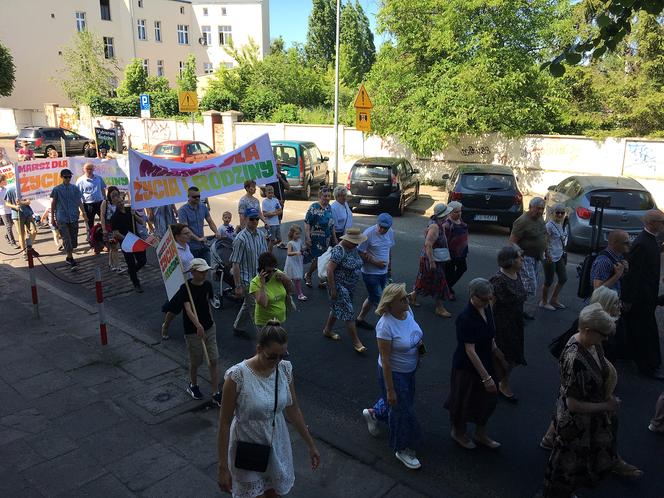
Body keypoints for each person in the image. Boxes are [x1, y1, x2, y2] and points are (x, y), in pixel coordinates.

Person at [543, 303, 642, 498]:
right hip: (574, 422)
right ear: (588, 330)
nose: (605, 339)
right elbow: (572, 404)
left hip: (590, 415)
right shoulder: (575, 359)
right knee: (565, 465)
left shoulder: (592, 342)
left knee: (582, 460)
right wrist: (606, 405)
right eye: (603, 334)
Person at [217, 320, 320, 497]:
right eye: (272, 356)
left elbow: (294, 410)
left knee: (274, 493)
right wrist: (223, 467)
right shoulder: (237, 376)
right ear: (259, 349)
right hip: (247, 444)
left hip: (276, 441)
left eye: (282, 355)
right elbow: (224, 423)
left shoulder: (285, 370)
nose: (277, 361)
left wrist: (311, 444)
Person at [361, 283, 424, 470]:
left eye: (407, 296)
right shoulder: (385, 326)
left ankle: (373, 413)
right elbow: (386, 361)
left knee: (401, 402)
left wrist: (421, 352)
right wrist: (389, 389)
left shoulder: (407, 311)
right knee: (401, 411)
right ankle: (401, 448)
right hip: (394, 373)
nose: (408, 299)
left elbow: (416, 336)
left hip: (409, 370)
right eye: (403, 298)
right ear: (390, 304)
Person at [444, 278, 505, 450]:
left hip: (486, 359)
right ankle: (458, 432)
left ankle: (480, 433)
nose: (487, 302)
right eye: (484, 299)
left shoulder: (487, 308)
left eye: (489, 298)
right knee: (463, 400)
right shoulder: (465, 318)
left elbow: (490, 334)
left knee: (488, 400)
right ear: (473, 296)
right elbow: (470, 351)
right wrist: (486, 378)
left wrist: (496, 351)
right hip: (467, 366)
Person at [621, 209, 664, 379]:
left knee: (638, 329)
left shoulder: (650, 240)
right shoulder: (642, 243)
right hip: (641, 297)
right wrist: (629, 299)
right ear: (652, 223)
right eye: (661, 222)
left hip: (647, 295)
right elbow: (633, 275)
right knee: (645, 331)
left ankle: (632, 356)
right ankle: (647, 367)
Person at [177, 258, 221, 404]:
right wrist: (198, 325)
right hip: (193, 331)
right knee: (196, 360)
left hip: (209, 327)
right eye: (201, 272)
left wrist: (211, 321)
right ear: (193, 272)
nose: (204, 274)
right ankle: (193, 384)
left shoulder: (208, 285)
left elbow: (207, 303)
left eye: (205, 271)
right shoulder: (185, 288)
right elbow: (188, 310)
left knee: (214, 359)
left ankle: (216, 391)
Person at [490, 245, 527, 403]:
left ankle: (502, 382)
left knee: (513, 356)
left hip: (515, 323)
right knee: (503, 358)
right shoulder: (498, 280)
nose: (522, 259)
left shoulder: (516, 274)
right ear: (510, 261)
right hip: (502, 326)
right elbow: (490, 307)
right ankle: (498, 383)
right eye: (519, 257)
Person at [322, 227, 367, 353]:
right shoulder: (339, 250)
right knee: (349, 312)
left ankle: (327, 330)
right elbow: (330, 270)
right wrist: (333, 289)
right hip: (339, 286)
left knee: (337, 308)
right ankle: (356, 342)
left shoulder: (353, 249)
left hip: (350, 286)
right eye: (354, 242)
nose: (356, 244)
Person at [230, 207, 269, 338]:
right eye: (252, 219)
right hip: (247, 280)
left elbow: (264, 256)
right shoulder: (240, 239)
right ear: (246, 219)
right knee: (257, 311)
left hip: (258, 278)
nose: (255, 221)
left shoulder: (261, 235)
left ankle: (238, 327)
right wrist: (238, 286)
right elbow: (235, 263)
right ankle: (267, 343)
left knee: (248, 305)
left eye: (257, 218)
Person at [410, 203, 453, 317]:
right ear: (443, 215)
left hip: (432, 258)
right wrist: (432, 262)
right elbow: (428, 245)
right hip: (431, 259)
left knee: (425, 278)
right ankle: (439, 307)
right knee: (440, 281)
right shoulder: (435, 227)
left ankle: (413, 296)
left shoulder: (439, 224)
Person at [355, 213, 395, 330]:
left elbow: (389, 250)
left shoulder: (390, 232)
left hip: (383, 272)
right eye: (380, 226)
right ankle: (389, 328)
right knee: (381, 300)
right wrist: (375, 263)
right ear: (377, 223)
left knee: (373, 297)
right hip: (370, 273)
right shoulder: (368, 233)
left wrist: (389, 268)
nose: (382, 230)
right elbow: (360, 252)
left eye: (385, 228)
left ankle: (359, 319)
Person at [509, 197, 546, 320]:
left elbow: (543, 236)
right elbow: (512, 242)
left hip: (536, 258)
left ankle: (520, 311)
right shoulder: (522, 221)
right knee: (530, 285)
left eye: (542, 209)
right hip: (525, 258)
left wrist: (547, 252)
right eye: (538, 208)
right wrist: (519, 258)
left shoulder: (540, 219)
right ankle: (516, 311)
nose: (540, 211)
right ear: (530, 207)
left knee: (526, 286)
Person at [160, 223, 195, 340]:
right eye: (186, 233)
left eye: (189, 232)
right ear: (177, 236)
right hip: (180, 284)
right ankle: (166, 325)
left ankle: (192, 331)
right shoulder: (174, 249)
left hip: (191, 281)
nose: (189, 235)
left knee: (191, 308)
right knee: (175, 310)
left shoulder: (187, 246)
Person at [110, 194, 147, 292]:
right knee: (130, 263)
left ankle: (131, 272)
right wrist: (128, 239)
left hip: (136, 239)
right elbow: (116, 233)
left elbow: (141, 222)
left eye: (122, 201)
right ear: (114, 204)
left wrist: (134, 214)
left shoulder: (130, 210)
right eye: (119, 203)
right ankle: (136, 283)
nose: (121, 203)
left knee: (142, 260)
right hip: (126, 243)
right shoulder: (114, 217)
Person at [51, 168, 87, 267]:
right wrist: (52, 218)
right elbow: (53, 203)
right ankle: (70, 257)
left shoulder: (74, 188)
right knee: (67, 238)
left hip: (74, 216)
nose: (68, 179)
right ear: (61, 177)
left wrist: (83, 213)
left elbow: (79, 201)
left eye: (69, 177)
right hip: (62, 217)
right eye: (66, 177)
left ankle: (68, 248)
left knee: (74, 240)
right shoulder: (57, 189)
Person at [249, 251, 294, 330]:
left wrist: (286, 279)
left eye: (274, 270)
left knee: (281, 342)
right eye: (269, 271)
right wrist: (262, 284)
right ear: (261, 270)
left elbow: (291, 291)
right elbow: (264, 303)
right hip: (265, 324)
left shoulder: (277, 274)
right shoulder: (255, 283)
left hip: (281, 320)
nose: (272, 273)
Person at [304, 187, 337, 288]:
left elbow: (331, 225)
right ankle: (308, 275)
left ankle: (321, 280)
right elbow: (307, 222)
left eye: (329, 196)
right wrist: (307, 237)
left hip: (326, 238)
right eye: (325, 196)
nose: (327, 198)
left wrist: (334, 238)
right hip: (315, 238)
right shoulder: (314, 207)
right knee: (317, 259)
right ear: (320, 196)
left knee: (325, 259)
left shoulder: (329, 208)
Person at [177, 186, 220, 263]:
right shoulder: (183, 210)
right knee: (196, 271)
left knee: (207, 268)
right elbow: (185, 230)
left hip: (203, 244)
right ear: (188, 197)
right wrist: (198, 239)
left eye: (198, 196)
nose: (197, 198)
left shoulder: (203, 206)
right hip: (191, 247)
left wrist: (216, 231)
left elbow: (210, 221)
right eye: (194, 197)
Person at [540, 204, 568, 310]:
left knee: (563, 278)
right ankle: (543, 301)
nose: (560, 214)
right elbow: (544, 241)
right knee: (549, 281)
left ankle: (554, 299)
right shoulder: (549, 226)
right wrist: (547, 254)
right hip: (549, 257)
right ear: (552, 213)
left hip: (559, 255)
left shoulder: (561, 224)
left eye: (562, 212)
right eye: (557, 212)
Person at [442, 201, 468, 300]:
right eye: (456, 212)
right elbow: (445, 241)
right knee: (450, 272)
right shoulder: (447, 224)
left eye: (460, 211)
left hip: (462, 252)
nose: (459, 213)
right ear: (450, 212)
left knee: (463, 268)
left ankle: (447, 287)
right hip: (452, 254)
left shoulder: (460, 220)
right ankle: (448, 289)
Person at [590, 229, 630, 295]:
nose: (629, 245)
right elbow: (597, 290)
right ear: (614, 243)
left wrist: (624, 272)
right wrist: (618, 275)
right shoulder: (603, 261)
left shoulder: (619, 257)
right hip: (602, 304)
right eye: (626, 243)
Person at [4, 183, 38, 258]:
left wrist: (21, 202)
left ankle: (29, 247)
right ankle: (24, 253)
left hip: (27, 213)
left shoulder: (25, 187)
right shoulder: (10, 190)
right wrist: (15, 206)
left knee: (34, 231)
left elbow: (28, 201)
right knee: (21, 234)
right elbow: (7, 203)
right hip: (17, 215)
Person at [76, 162, 106, 234]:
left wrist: (105, 199)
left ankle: (105, 235)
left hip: (99, 203)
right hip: (88, 205)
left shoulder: (98, 178)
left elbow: (102, 189)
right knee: (90, 223)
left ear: (93, 169)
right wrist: (81, 210)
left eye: (91, 169)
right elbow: (78, 196)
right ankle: (91, 238)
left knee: (105, 220)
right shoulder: (80, 180)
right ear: (84, 169)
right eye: (87, 169)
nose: (89, 170)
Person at [100, 187, 124, 272]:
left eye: (116, 194)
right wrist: (104, 229)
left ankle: (111, 263)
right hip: (109, 228)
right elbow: (102, 216)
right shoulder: (105, 203)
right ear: (109, 195)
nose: (115, 196)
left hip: (117, 228)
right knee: (114, 247)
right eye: (113, 194)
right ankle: (118, 266)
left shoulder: (119, 202)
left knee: (113, 247)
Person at [266, 168, 290, 248]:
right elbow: (268, 190)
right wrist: (277, 200)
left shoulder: (282, 175)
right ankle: (271, 239)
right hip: (274, 202)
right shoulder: (270, 176)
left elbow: (288, 187)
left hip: (281, 202)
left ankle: (274, 240)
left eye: (280, 165)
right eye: (277, 165)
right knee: (274, 219)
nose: (279, 167)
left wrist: (280, 178)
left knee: (279, 219)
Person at [284, 225, 307, 301]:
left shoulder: (299, 241)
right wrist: (296, 252)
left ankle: (288, 291)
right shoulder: (290, 243)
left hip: (298, 261)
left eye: (299, 234)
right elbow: (288, 253)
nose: (298, 235)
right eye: (296, 234)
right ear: (292, 234)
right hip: (292, 262)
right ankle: (299, 294)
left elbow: (301, 248)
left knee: (295, 277)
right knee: (295, 277)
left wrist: (305, 248)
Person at [262, 185, 282, 252]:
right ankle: (269, 254)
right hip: (270, 224)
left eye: (271, 190)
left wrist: (273, 213)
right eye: (269, 191)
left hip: (277, 223)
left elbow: (280, 211)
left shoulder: (276, 200)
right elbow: (265, 214)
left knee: (279, 239)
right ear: (266, 192)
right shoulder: (265, 201)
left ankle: (268, 248)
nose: (270, 192)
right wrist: (274, 213)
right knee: (272, 240)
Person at [0, 174, 17, 248]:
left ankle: (7, 236)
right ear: (2, 181)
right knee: (8, 226)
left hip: (10, 209)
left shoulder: (6, 189)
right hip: (3, 210)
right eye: (5, 180)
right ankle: (12, 242)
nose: (6, 181)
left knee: (12, 223)